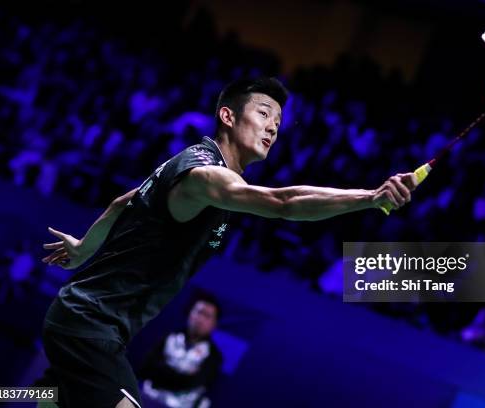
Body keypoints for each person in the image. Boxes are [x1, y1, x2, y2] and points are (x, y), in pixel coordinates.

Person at [38, 77, 418, 408]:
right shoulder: (206, 176)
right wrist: (369, 197)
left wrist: (84, 248)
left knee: (50, 398)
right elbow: (282, 204)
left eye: (279, 121)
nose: (273, 127)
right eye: (264, 113)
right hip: (90, 324)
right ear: (228, 116)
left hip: (90, 318)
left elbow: (124, 201)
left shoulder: (190, 164)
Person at [138, 293, 223, 408]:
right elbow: (146, 367)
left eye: (207, 316)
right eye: (199, 312)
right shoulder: (169, 337)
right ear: (190, 313)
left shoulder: (214, 356)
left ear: (214, 323)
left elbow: (192, 383)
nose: (200, 319)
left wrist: (163, 371)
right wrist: (182, 375)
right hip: (149, 398)